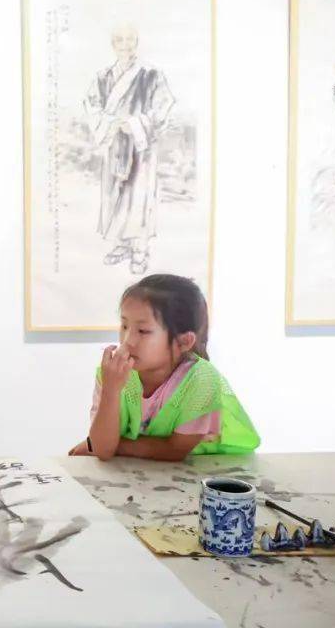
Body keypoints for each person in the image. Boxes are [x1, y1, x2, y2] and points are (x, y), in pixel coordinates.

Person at [69, 274, 259, 461]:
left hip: (205, 470)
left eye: (143, 331)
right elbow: (103, 450)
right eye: (124, 326)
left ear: (184, 342)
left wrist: (109, 445)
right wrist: (111, 391)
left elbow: (174, 450)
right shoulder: (113, 373)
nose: (128, 340)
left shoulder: (202, 380)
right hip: (137, 470)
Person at [83, 24, 176, 275]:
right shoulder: (103, 76)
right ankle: (121, 244)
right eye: (120, 40)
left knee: (139, 197)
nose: (125, 45)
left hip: (141, 148)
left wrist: (136, 124)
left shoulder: (151, 74)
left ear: (137, 42)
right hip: (114, 144)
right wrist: (111, 124)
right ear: (113, 44)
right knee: (115, 194)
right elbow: (91, 106)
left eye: (130, 40)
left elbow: (164, 106)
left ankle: (140, 250)